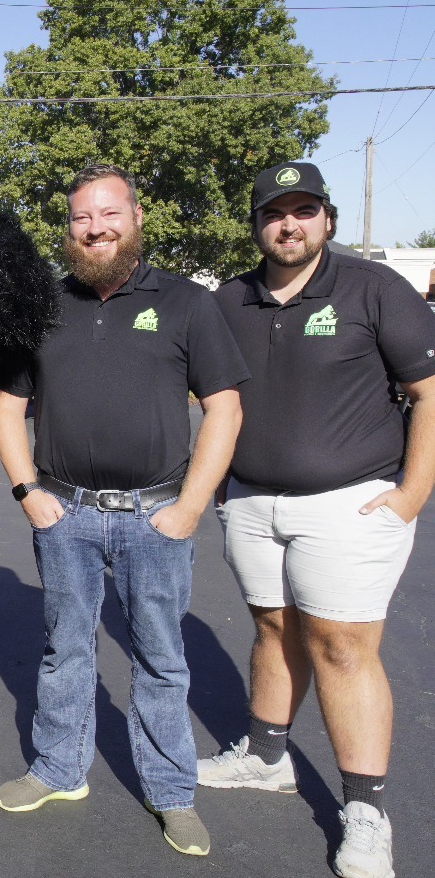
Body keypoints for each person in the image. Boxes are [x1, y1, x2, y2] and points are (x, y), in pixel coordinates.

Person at [0, 164, 248, 857]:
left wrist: (191, 506)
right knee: (63, 651)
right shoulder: (40, 306)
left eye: (109, 214)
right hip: (64, 516)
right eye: (81, 217)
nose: (95, 227)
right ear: (69, 227)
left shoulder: (190, 303)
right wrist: (27, 492)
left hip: (155, 516)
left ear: (137, 218)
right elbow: (8, 406)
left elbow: (225, 408)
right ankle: (57, 768)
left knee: (161, 659)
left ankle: (172, 793)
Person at [201, 161, 435, 878]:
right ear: (257, 225)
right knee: (273, 626)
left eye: (304, 210)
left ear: (326, 219)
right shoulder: (231, 300)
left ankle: (366, 811)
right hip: (251, 502)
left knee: (341, 647)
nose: (289, 224)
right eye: (275, 212)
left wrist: (412, 493)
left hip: (351, 502)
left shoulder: (375, 288)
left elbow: (428, 393)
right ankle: (268, 757)